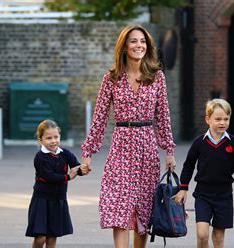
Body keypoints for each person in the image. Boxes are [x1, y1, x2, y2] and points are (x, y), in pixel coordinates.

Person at [80, 25, 177, 248]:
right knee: (119, 207)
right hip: (121, 147)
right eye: (133, 41)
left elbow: (163, 117)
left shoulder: (157, 77)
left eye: (142, 41)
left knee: (144, 209)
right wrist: (88, 153)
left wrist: (169, 151)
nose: (138, 45)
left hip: (147, 147)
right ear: (124, 46)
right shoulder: (111, 78)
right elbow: (100, 118)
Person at [175, 99, 234, 248]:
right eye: (218, 119)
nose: (222, 123)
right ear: (208, 119)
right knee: (202, 234)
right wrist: (183, 188)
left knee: (218, 238)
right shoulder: (199, 142)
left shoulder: (233, 143)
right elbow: (188, 165)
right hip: (203, 195)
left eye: (226, 119)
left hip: (224, 196)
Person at [25, 119, 83, 248]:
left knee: (52, 236)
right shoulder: (40, 157)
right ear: (41, 140)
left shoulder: (65, 153)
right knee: (40, 237)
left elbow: (76, 166)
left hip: (58, 199)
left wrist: (83, 169)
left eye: (56, 137)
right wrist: (69, 176)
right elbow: (49, 176)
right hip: (41, 200)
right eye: (48, 138)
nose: (53, 141)